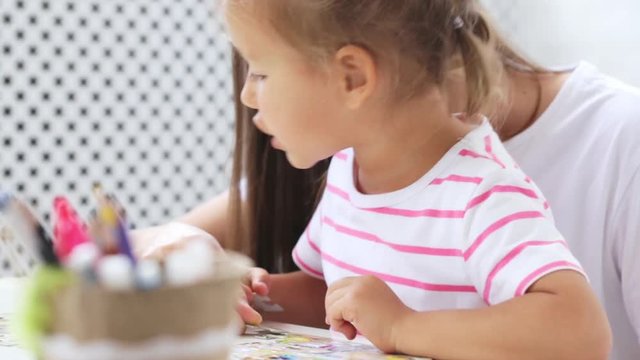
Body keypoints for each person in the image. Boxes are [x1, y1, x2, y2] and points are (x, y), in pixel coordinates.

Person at [133, 2, 640, 360]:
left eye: (261, 73)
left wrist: (405, 327)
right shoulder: (348, 174)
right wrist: (252, 297)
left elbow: (579, 332)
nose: (247, 96)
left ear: (353, 77)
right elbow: (333, 294)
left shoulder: (479, 192)